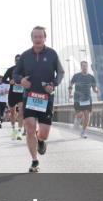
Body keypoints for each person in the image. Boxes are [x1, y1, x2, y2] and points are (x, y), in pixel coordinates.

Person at [14, 27, 65, 172]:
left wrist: (53, 84)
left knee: (44, 133)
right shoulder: (25, 55)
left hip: (46, 98)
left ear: (44, 38)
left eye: (40, 36)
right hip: (29, 97)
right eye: (35, 36)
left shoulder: (52, 54)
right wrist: (21, 80)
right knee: (30, 128)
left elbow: (60, 72)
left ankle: (41, 140)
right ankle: (34, 161)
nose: (38, 39)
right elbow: (15, 73)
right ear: (32, 38)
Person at [69, 60, 99, 138]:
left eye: (86, 66)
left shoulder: (91, 77)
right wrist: (70, 93)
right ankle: (77, 119)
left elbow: (94, 88)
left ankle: (83, 132)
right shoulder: (76, 76)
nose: (85, 67)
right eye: (83, 66)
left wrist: (96, 91)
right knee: (80, 114)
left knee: (87, 115)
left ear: (87, 67)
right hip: (78, 99)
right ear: (81, 67)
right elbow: (71, 84)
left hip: (87, 98)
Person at [3, 54, 25, 140]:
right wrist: (9, 82)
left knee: (21, 112)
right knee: (12, 113)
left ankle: (19, 133)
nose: (18, 61)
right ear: (15, 61)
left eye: (19, 60)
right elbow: (3, 80)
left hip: (21, 94)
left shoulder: (25, 69)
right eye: (17, 60)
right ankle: (13, 131)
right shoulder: (10, 69)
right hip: (12, 94)